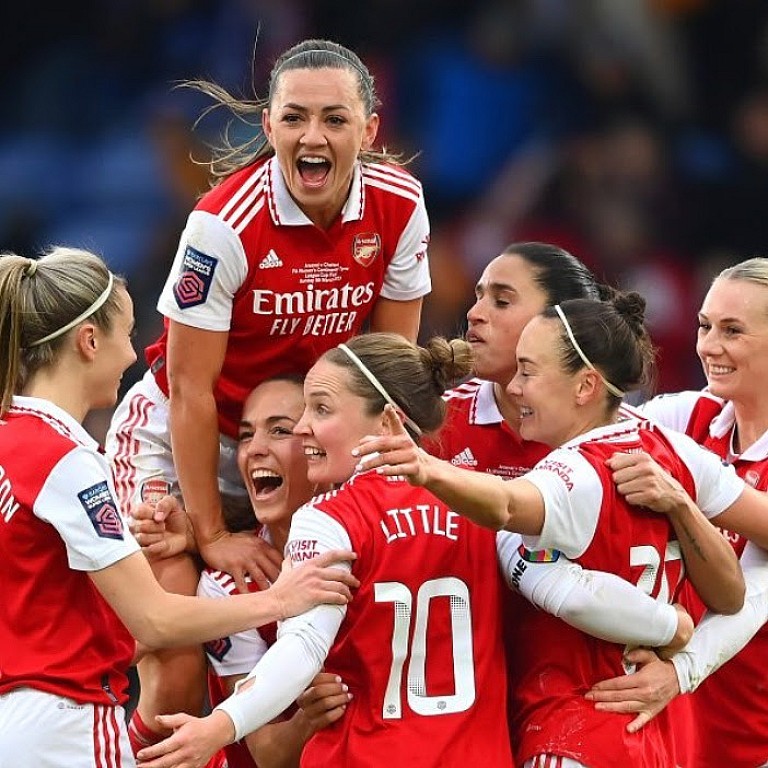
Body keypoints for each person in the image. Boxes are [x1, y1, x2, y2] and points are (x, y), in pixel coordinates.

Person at [136, 332, 699, 768]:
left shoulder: (328, 521)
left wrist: (221, 724)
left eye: (322, 409)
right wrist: (669, 627)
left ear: (387, 421)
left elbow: (302, 650)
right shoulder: (486, 511)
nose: (305, 427)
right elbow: (569, 592)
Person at [106, 37, 432, 749]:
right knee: (177, 659)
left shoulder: (401, 206)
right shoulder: (222, 226)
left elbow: (388, 369)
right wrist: (212, 533)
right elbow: (189, 392)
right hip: (179, 437)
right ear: (269, 127)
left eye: (335, 119)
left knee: (337, 630)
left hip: (297, 432)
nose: (313, 137)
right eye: (295, 118)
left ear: (369, 129)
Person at [353, 296, 760, 768]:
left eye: (528, 371)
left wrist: (427, 470)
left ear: (585, 385)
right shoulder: (670, 449)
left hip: (574, 732)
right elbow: (731, 596)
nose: (517, 388)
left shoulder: (577, 472)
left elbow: (506, 506)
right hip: (647, 739)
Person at [0, 248, 360, 768]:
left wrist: (183, 535)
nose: (132, 357)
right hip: (65, 720)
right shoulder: (65, 457)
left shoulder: (11, 440)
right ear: (89, 341)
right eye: (126, 335)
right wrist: (280, 600)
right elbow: (153, 622)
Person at [585, 257, 768, 767]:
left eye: (733, 331)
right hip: (671, 723)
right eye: (705, 326)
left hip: (751, 733)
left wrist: (680, 671)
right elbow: (586, 437)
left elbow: (755, 592)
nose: (709, 347)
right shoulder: (689, 416)